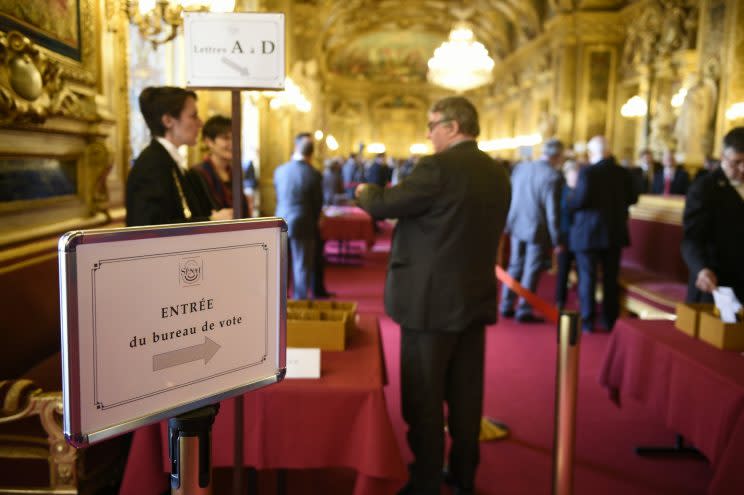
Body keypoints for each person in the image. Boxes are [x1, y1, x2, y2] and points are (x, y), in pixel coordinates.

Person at [355, 96, 511, 495]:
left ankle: (425, 480)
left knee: (423, 398)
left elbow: (385, 204)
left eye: (432, 125)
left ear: (453, 127)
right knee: (466, 395)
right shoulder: (497, 173)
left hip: (429, 304)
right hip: (474, 298)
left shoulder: (437, 168)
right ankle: (463, 476)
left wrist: (364, 188)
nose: (428, 133)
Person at [126, 86, 232, 227]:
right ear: (168, 121)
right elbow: (149, 228)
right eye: (193, 116)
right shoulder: (151, 165)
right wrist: (211, 220)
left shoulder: (168, 161)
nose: (200, 123)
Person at [569, 136, 638, 333]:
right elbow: (633, 198)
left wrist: (571, 198)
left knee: (588, 277)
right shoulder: (623, 173)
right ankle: (609, 320)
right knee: (610, 278)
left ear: (592, 153)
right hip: (614, 232)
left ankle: (588, 321)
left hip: (588, 234)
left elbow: (579, 201)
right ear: (608, 151)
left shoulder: (588, 172)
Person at [500, 138, 564, 323]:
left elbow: (510, 195)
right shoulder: (553, 176)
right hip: (536, 226)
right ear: (557, 156)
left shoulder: (522, 168)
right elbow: (553, 212)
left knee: (514, 265)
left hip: (515, 222)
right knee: (531, 268)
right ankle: (524, 309)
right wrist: (557, 239)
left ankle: (506, 304)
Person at [681, 127, 744, 304]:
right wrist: (701, 269)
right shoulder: (705, 188)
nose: (743, 168)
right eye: (736, 162)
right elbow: (691, 238)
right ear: (723, 158)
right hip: (717, 284)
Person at [274, 133, 323, 299]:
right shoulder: (314, 174)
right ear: (311, 154)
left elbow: (278, 196)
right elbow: (318, 204)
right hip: (304, 222)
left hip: (280, 221)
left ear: (295, 149)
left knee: (281, 266)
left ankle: (279, 302)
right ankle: (299, 304)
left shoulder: (279, 171)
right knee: (301, 266)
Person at [191, 115, 250, 217]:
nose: (233, 143)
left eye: (235, 137)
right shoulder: (197, 174)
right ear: (209, 142)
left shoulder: (235, 172)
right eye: (226, 138)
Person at [555, 159, 579, 309]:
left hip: (580, 237)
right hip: (564, 236)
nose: (575, 177)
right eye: (572, 174)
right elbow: (556, 216)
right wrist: (557, 240)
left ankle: (581, 300)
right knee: (563, 270)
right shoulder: (560, 192)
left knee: (581, 272)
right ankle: (560, 301)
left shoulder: (582, 191)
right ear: (567, 175)